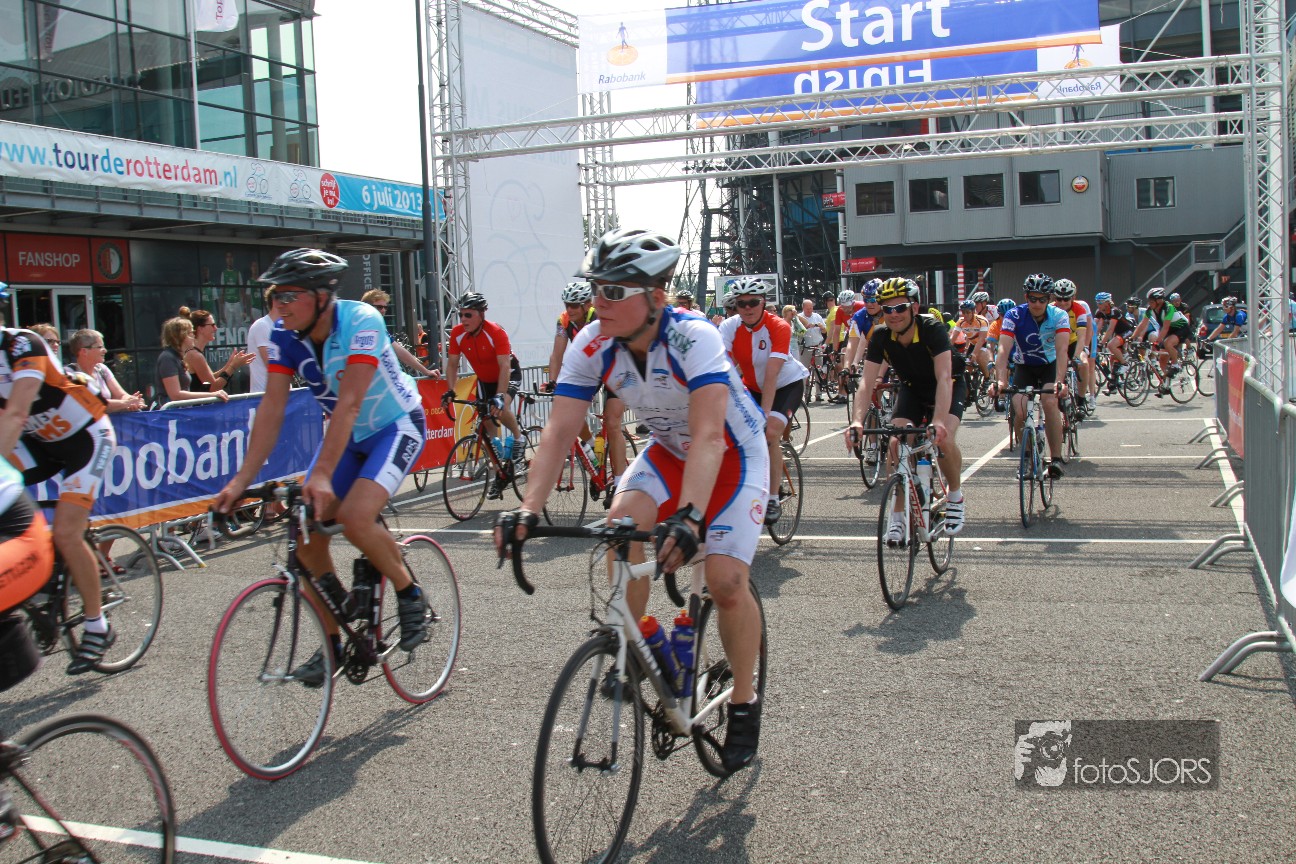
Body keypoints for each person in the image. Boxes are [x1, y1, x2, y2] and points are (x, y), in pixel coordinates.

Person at [496, 227, 768, 774]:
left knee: (724, 581)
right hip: (668, 453)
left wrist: (689, 517)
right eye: (597, 288)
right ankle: (632, 646)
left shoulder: (694, 337)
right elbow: (559, 431)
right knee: (620, 525)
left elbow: (710, 436)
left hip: (733, 456)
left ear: (656, 297)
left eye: (615, 291)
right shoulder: (592, 343)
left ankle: (744, 700)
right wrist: (528, 508)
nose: (600, 301)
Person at [212, 248, 430, 686]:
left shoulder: (362, 320)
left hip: (394, 425)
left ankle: (410, 593)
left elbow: (348, 404)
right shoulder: (283, 336)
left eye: (289, 295)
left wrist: (324, 475)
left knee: (354, 517)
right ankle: (333, 642)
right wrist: (240, 481)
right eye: (275, 296)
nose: (279, 305)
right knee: (305, 534)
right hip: (348, 437)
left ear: (321, 295)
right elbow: (271, 410)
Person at [0, 322, 117, 673]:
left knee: (67, 532)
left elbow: (16, 414)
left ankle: (97, 625)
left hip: (87, 438)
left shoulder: (23, 345)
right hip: (42, 444)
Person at [845, 277, 967, 537]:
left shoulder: (931, 329)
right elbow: (866, 383)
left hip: (948, 385)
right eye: (887, 309)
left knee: (944, 440)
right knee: (896, 444)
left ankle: (955, 496)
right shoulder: (881, 336)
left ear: (915, 307)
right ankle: (898, 515)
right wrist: (856, 421)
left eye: (900, 307)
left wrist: (938, 421)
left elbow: (944, 378)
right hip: (912, 389)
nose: (894, 314)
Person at [719, 277, 809, 525]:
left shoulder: (779, 326)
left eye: (753, 302)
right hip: (752, 386)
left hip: (785, 384)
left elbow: (771, 374)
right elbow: (721, 368)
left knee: (769, 433)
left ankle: (772, 497)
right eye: (741, 303)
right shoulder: (729, 327)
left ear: (763, 302)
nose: (747, 308)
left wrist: (764, 414)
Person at [991, 275, 1070, 478]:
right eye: (1033, 299)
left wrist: (1060, 381)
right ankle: (1026, 456)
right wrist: (1000, 380)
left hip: (1049, 365)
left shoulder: (1059, 315)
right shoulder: (1014, 315)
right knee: (1019, 409)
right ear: (1026, 297)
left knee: (1050, 402)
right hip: (1024, 366)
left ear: (1049, 299)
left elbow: (1062, 351)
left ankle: (1056, 459)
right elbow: (1003, 349)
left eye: (1042, 299)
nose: (1037, 304)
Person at [442, 293, 526, 458]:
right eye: (461, 315)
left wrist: (500, 395)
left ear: (481, 314)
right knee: (485, 415)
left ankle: (518, 437)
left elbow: (504, 366)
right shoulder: (457, 334)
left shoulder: (496, 332)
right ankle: (497, 459)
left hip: (508, 374)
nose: (463, 319)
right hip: (485, 379)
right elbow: (452, 365)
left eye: (468, 315)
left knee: (500, 408)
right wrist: (451, 390)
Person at [1130, 287, 1192, 396]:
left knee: (1168, 343)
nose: (1149, 303)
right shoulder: (1150, 309)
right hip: (1170, 330)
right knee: (1162, 360)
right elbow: (1143, 324)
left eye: (1151, 301)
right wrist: (1132, 337)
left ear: (1159, 300)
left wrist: (1157, 341)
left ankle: (1176, 364)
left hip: (1181, 328)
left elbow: (1165, 327)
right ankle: (1166, 385)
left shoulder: (1169, 308)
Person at [360, 290, 437, 377]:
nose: (383, 310)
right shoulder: (363, 326)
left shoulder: (378, 327)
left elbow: (399, 351)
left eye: (385, 307)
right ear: (367, 307)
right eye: (379, 307)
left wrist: (426, 371)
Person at [66, 330, 145, 412]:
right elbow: (95, 404)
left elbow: (120, 395)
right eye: (100, 347)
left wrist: (132, 400)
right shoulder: (71, 374)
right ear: (84, 351)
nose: (105, 350)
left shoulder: (102, 369)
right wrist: (126, 403)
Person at [155, 317, 228, 405]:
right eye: (191, 333)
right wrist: (212, 395)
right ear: (181, 336)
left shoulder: (178, 358)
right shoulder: (167, 358)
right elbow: (175, 395)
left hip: (182, 410)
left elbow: (210, 379)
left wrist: (231, 365)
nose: (194, 335)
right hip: (170, 412)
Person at [184, 308, 254, 394]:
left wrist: (229, 364)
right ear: (200, 329)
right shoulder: (195, 355)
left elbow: (210, 378)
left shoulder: (194, 353)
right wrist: (233, 366)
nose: (216, 328)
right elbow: (213, 387)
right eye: (212, 325)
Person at [245, 287, 276, 394]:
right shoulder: (262, 325)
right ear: (275, 301)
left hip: (281, 395)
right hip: (263, 395)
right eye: (286, 298)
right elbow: (272, 365)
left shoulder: (283, 327)